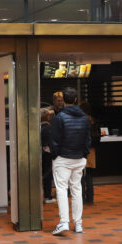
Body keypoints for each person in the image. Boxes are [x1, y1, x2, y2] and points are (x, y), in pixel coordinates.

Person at [50, 87, 91, 236]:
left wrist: (55, 155)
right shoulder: (85, 118)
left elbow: (54, 140)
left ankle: (64, 222)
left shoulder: (59, 117)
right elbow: (88, 140)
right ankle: (78, 224)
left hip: (63, 159)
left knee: (61, 189)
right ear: (75, 100)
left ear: (64, 101)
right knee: (76, 190)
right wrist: (84, 154)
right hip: (79, 158)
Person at [79, 103, 100, 204]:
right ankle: (90, 198)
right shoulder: (93, 121)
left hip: (82, 150)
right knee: (89, 175)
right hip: (91, 151)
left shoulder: (80, 120)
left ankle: (82, 198)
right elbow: (97, 137)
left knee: (81, 176)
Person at [40, 108, 55, 204]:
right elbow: (49, 143)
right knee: (48, 175)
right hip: (48, 154)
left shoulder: (38, 127)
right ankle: (48, 196)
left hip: (41, 154)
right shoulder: (48, 128)